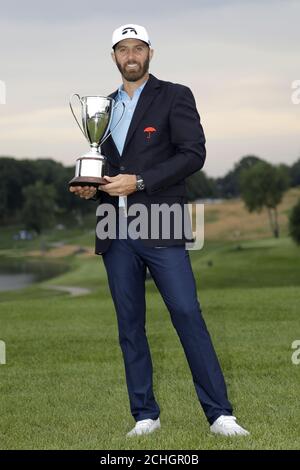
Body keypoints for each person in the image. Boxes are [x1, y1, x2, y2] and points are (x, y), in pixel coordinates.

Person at [70, 24, 249, 438]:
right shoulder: (103, 106)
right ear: (113, 57)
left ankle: (220, 414)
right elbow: (105, 168)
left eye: (137, 48)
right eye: (122, 50)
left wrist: (141, 181)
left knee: (187, 313)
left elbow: (193, 154)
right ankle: (145, 415)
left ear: (150, 52)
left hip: (162, 221)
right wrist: (89, 186)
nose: (130, 56)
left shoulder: (175, 95)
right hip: (114, 225)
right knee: (129, 324)